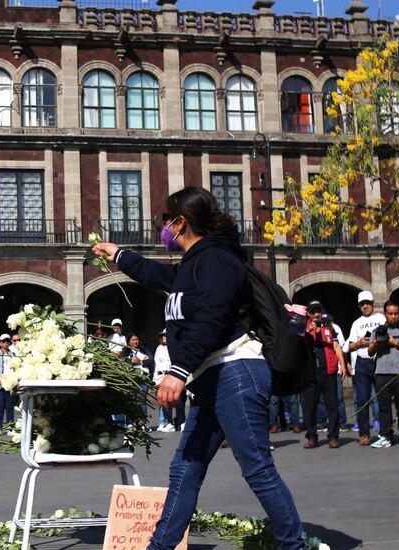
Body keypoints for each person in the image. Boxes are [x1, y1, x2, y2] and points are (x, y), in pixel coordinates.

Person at [93, 186, 304, 549]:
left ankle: (293, 546)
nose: (163, 228)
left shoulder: (218, 261)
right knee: (185, 469)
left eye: (165, 220)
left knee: (257, 468)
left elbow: (212, 318)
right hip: (212, 378)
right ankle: (160, 546)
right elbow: (161, 278)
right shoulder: (195, 263)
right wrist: (121, 255)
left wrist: (177, 371)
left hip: (235, 371)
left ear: (181, 222)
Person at [368, 301, 399, 449]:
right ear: (385, 314)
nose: (393, 316)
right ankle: (386, 436)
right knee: (384, 407)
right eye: (390, 314)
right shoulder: (378, 330)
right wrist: (377, 344)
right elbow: (370, 352)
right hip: (381, 373)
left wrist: (396, 344)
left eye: (396, 313)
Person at [302, 300, 347, 449]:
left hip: (328, 370)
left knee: (332, 405)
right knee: (309, 406)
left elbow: (336, 345)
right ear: (308, 313)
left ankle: (333, 437)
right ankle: (312, 436)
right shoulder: (303, 326)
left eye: (318, 311)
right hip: (310, 372)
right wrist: (309, 331)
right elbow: (298, 344)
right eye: (313, 311)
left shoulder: (329, 326)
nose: (316, 314)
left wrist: (343, 364)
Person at [346, 290, 385, 445]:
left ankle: (385, 431)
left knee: (383, 398)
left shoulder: (381, 318)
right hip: (362, 362)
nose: (365, 306)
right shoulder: (356, 323)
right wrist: (358, 343)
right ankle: (364, 433)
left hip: (379, 361)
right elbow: (349, 345)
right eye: (362, 304)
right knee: (362, 400)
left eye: (367, 303)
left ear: (372, 303)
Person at [154, 331, 185, 432]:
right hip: (163, 375)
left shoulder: (176, 347)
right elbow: (156, 363)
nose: (164, 338)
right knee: (166, 401)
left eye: (166, 336)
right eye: (162, 336)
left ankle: (181, 422)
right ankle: (169, 422)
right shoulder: (159, 349)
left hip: (175, 375)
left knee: (179, 401)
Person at [0, 334, 16, 429]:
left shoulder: (13, 355)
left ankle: (10, 425)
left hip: (10, 385)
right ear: (0, 343)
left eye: (8, 341)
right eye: (3, 341)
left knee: (10, 406)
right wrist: (1, 382)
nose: (6, 343)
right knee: (0, 406)